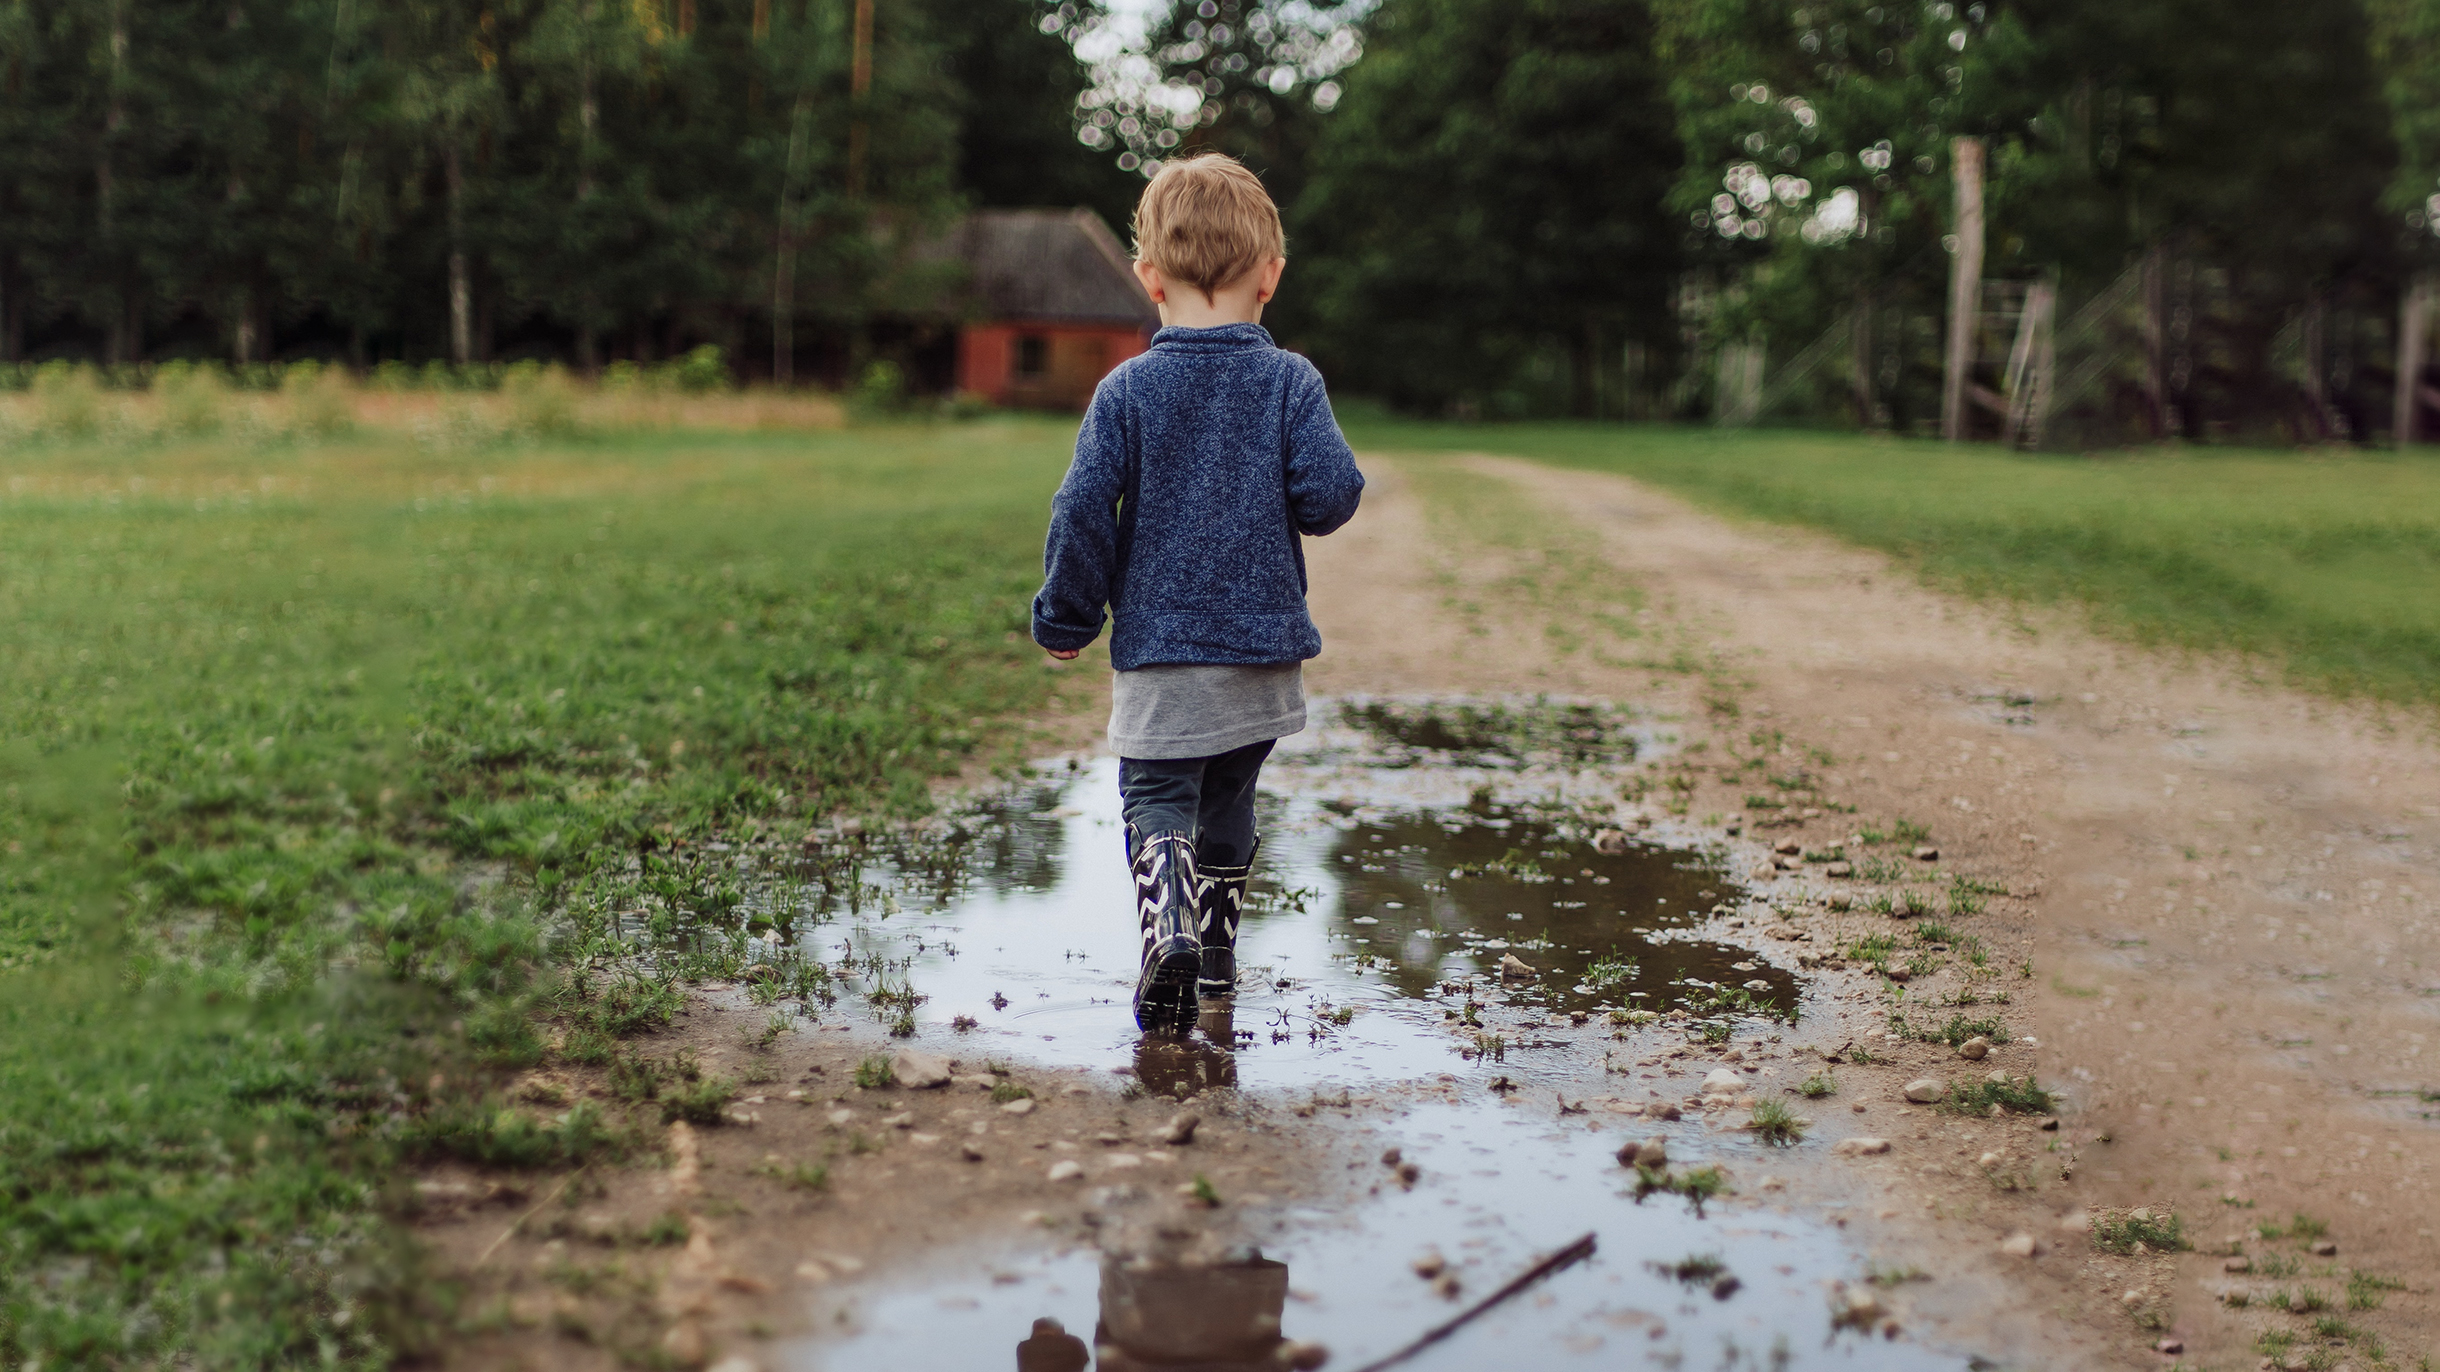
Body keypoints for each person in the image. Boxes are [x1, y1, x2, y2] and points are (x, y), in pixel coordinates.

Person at [1031, 152, 1365, 1034]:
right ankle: (1213, 959)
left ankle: (1169, 928)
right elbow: (1330, 497)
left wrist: (1067, 612)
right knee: (1228, 800)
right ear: (1271, 276)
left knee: (1157, 796)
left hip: (1163, 654)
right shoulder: (1292, 380)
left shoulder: (1128, 391)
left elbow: (1081, 509)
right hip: (1261, 660)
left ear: (1147, 278)